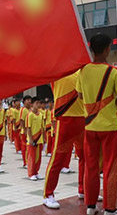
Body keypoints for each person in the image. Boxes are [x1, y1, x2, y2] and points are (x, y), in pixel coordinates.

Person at [76, 34, 117, 215]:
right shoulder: (114, 71)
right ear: (107, 49)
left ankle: (90, 207)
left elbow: (80, 95)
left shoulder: (83, 71)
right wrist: (109, 103)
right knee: (110, 167)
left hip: (90, 127)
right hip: (110, 127)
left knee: (91, 168)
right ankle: (110, 208)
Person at [43, 71, 87, 209]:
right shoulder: (58, 71)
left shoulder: (83, 71)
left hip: (83, 118)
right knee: (58, 158)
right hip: (65, 118)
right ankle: (48, 194)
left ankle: (84, 189)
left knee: (85, 157)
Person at [26, 97, 45, 181]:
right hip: (33, 139)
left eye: (39, 103)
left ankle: (36, 172)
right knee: (32, 157)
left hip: (39, 139)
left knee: (38, 158)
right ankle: (31, 173)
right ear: (32, 104)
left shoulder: (40, 115)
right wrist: (30, 139)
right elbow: (28, 128)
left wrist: (44, 139)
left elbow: (42, 128)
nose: (38, 105)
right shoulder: (30, 115)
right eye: (36, 103)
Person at [19, 95, 32, 168]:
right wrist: (24, 129)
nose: (29, 101)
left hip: (30, 131)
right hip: (24, 132)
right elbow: (21, 120)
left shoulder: (30, 109)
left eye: (30, 100)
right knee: (24, 147)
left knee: (28, 147)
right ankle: (25, 162)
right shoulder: (23, 109)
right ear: (24, 102)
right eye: (27, 100)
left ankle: (29, 161)